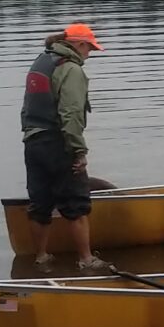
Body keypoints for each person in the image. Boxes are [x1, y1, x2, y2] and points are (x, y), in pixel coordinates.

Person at [21, 23, 102, 272]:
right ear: (80, 44)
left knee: (40, 205)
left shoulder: (41, 62)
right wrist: (79, 151)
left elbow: (26, 107)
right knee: (76, 204)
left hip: (33, 142)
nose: (89, 54)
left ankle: (41, 257)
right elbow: (71, 112)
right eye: (89, 49)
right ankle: (86, 260)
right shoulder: (70, 68)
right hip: (59, 143)